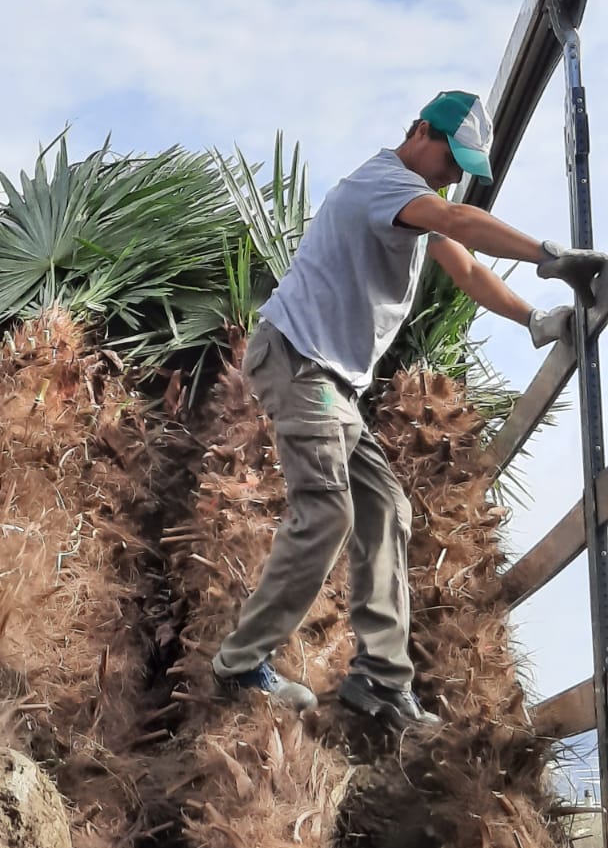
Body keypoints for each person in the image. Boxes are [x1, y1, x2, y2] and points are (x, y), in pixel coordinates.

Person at [214, 89, 606, 728]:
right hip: (298, 359)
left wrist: (534, 318)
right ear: (422, 130)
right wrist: (549, 257)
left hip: (334, 382)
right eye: (452, 159)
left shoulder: (419, 206)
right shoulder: (383, 183)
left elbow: (467, 269)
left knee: (387, 506)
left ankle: (380, 680)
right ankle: (240, 665)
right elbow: (457, 226)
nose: (455, 177)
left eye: (462, 169)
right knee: (328, 510)